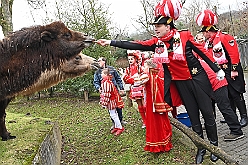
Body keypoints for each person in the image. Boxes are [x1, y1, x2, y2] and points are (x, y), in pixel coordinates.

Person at [96, 0, 226, 163]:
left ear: (169, 26)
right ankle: (200, 147)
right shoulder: (156, 43)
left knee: (207, 114)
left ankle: (214, 147)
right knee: (194, 118)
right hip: (181, 84)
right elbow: (136, 44)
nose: (155, 29)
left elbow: (203, 53)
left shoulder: (184, 35)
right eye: (155, 27)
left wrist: (217, 70)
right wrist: (110, 42)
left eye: (159, 26)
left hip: (197, 79)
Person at [196, 9, 248, 127]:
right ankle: (232, 116)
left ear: (209, 31)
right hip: (221, 72)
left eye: (204, 32)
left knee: (236, 94)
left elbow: (234, 53)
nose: (203, 35)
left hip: (230, 70)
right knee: (228, 94)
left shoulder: (224, 37)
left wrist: (234, 69)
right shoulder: (210, 42)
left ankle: (244, 116)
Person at [138, 59, 173, 152]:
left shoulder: (148, 75)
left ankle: (157, 143)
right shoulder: (155, 75)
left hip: (151, 103)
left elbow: (136, 82)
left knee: (154, 123)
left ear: (149, 67)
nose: (143, 68)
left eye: (144, 66)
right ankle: (163, 142)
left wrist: (125, 76)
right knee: (160, 122)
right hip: (155, 102)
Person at [93, 57, 127, 129]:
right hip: (106, 92)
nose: (98, 62)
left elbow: (118, 78)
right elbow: (96, 82)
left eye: (99, 61)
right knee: (110, 108)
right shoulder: (97, 72)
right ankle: (114, 122)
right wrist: (98, 88)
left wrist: (121, 88)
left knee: (118, 106)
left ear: (104, 61)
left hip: (115, 92)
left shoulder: (112, 69)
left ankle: (120, 120)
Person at [120, 50, 146, 128]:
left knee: (145, 105)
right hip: (134, 89)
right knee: (139, 105)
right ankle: (144, 121)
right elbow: (127, 81)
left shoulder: (139, 67)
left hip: (142, 88)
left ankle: (149, 120)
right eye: (129, 59)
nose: (130, 61)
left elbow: (143, 77)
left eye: (132, 59)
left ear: (135, 59)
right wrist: (126, 76)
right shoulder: (127, 69)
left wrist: (132, 78)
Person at [99, 68, 125, 136]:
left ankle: (120, 127)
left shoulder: (106, 83)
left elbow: (107, 94)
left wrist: (104, 103)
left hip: (111, 101)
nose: (101, 74)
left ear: (105, 74)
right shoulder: (106, 81)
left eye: (102, 73)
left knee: (113, 115)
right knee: (114, 114)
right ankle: (117, 126)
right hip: (111, 100)